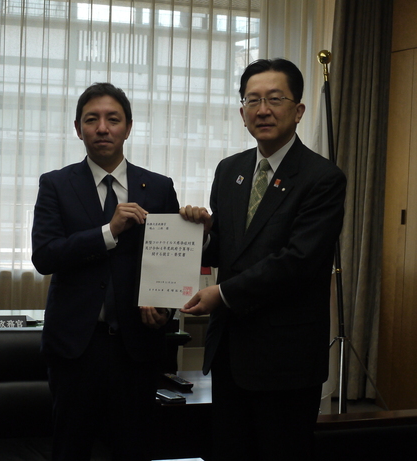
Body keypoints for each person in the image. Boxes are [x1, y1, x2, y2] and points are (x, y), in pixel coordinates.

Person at [180, 58, 346, 460]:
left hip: (285, 360)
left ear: (299, 110)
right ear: (242, 112)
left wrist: (222, 294)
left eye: (275, 98)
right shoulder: (230, 170)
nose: (263, 109)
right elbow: (226, 249)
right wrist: (200, 235)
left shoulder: (322, 178)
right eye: (252, 100)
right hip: (231, 354)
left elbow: (298, 261)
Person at [31, 82, 179, 461]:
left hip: (137, 348)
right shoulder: (56, 185)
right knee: (71, 449)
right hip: (76, 348)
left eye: (113, 119)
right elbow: (45, 256)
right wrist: (108, 232)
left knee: (134, 448)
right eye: (91, 119)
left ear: (128, 127)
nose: (102, 128)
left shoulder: (159, 188)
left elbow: (170, 263)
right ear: (77, 128)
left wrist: (164, 309)